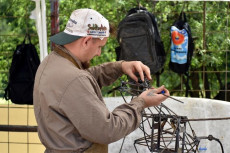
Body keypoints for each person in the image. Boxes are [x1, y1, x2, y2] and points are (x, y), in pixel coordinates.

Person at [33, 8, 170, 153]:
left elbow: (84, 79)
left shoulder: (53, 62)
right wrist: (141, 103)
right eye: (99, 47)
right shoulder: (74, 79)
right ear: (86, 41)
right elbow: (108, 129)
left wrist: (121, 66)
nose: (99, 53)